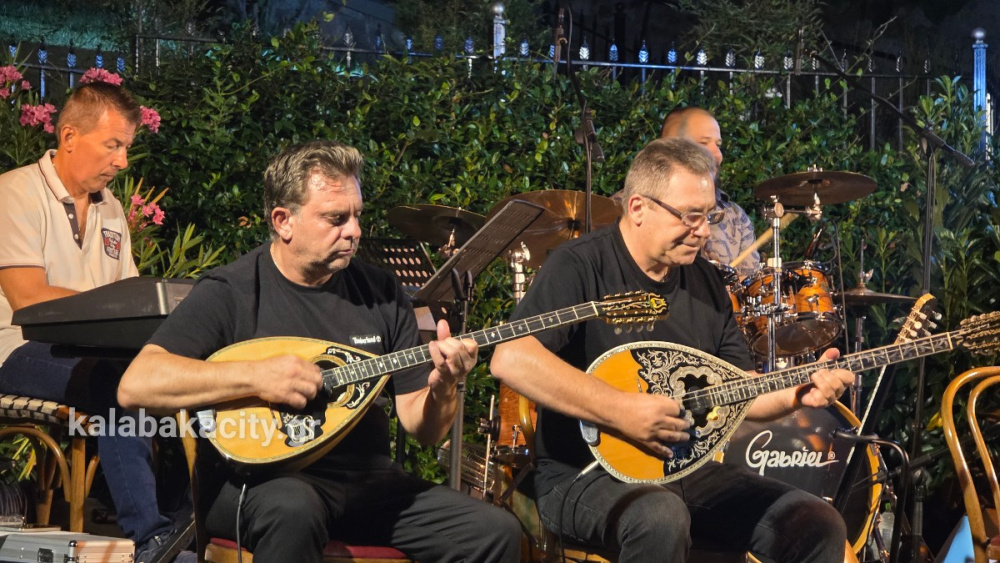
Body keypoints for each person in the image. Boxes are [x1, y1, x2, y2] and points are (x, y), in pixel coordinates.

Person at [117, 140, 522, 563]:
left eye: (357, 215)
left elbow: (423, 429)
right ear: (283, 221)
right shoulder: (232, 291)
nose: (354, 230)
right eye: (336, 218)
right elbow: (137, 385)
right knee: (294, 509)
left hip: (367, 485)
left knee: (494, 532)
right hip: (260, 483)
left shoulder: (381, 292)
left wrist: (444, 387)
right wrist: (256, 376)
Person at [490, 137, 855, 562]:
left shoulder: (706, 282)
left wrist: (797, 393)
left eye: (709, 216)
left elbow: (740, 390)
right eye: (690, 216)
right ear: (638, 208)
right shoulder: (580, 265)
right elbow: (511, 357)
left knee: (816, 522)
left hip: (682, 471)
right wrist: (621, 410)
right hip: (580, 475)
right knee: (660, 516)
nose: (704, 231)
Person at [0, 82, 193, 562]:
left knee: (188, 376)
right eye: (113, 145)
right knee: (118, 385)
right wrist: (108, 312)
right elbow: (27, 298)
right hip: (15, 349)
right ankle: (148, 538)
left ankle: (194, 521)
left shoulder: (111, 208)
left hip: (88, 352)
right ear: (69, 136)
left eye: (126, 147)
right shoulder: (14, 192)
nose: (123, 161)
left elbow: (128, 299)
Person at [660, 106, 761, 279]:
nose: (717, 155)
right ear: (671, 148)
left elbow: (750, 287)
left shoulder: (735, 217)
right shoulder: (639, 207)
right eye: (703, 143)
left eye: (718, 145)